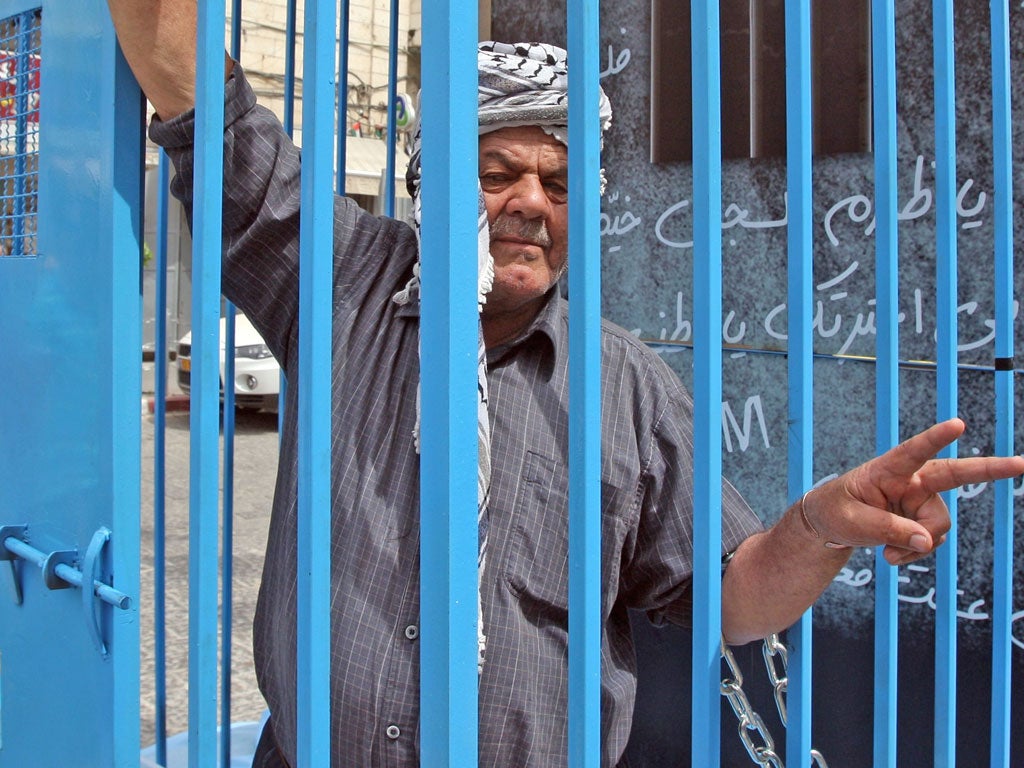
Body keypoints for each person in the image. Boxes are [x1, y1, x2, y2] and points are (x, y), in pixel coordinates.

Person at [107, 4, 1024, 766]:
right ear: (432, 183)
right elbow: (201, 100)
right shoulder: (341, 281)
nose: (530, 202)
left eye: (556, 180)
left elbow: (728, 594)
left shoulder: (625, 384)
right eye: (497, 172)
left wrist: (822, 525)